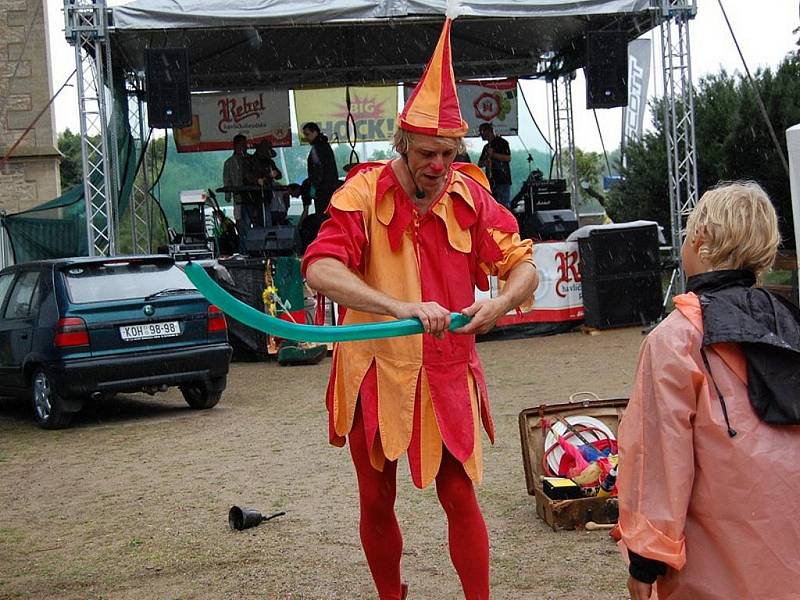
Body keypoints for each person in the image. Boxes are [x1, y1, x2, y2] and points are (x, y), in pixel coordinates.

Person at [302, 16, 538, 600]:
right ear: (402, 146)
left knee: (461, 496)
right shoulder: (360, 193)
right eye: (428, 153)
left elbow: (523, 264)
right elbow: (320, 268)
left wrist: (504, 301)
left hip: (447, 366)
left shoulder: (470, 196)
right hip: (375, 368)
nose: (439, 165)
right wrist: (398, 305)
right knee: (375, 497)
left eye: (449, 154)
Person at [617, 182, 800, 600]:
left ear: (698, 238)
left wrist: (646, 559)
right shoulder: (792, 326)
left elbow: (659, 458)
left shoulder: (676, 340)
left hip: (717, 569)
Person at [222, 134, 256, 250]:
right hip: (238, 199)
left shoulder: (251, 159)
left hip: (252, 198)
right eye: (242, 144)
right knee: (241, 224)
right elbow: (227, 179)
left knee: (254, 224)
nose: (245, 147)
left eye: (245, 144)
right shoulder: (229, 162)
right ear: (236, 145)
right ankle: (243, 248)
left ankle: (254, 247)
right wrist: (228, 195)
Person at [302, 122, 340, 212]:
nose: (306, 137)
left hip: (323, 189)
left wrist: (314, 185)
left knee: (322, 215)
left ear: (315, 133)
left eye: (307, 134)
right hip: (332, 188)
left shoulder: (317, 148)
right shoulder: (325, 145)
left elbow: (318, 167)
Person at [247, 139, 285, 225]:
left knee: (267, 218)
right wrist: (257, 180)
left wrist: (275, 174)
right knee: (257, 219)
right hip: (252, 195)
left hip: (267, 194)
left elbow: (279, 175)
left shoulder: (269, 162)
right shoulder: (250, 161)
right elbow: (247, 176)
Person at [477, 122, 512, 208]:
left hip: (502, 179)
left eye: (482, 132)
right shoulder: (486, 147)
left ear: (488, 131)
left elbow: (508, 158)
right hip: (490, 181)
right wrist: (486, 161)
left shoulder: (502, 142)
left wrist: (493, 155)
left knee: (503, 206)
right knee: (492, 206)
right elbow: (479, 164)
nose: (481, 135)